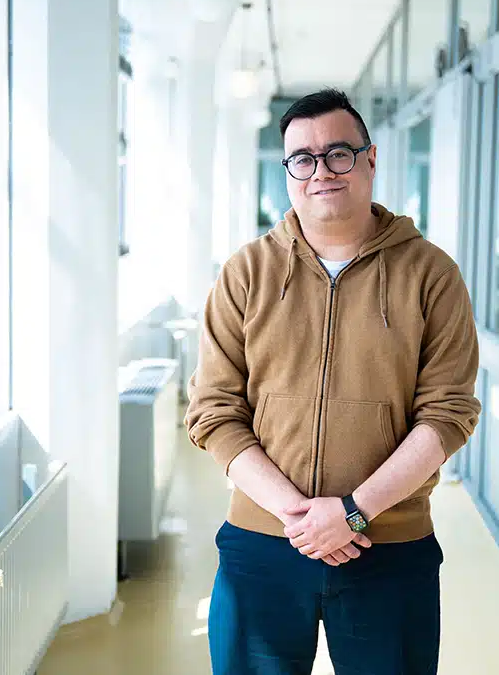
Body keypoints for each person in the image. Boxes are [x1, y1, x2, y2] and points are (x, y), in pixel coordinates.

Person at [185, 88, 481, 675]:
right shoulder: (246, 272)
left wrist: (353, 513)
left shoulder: (432, 274)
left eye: (338, 153)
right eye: (303, 159)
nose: (321, 171)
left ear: (370, 160)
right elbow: (213, 411)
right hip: (263, 543)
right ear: (288, 173)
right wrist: (301, 517)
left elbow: (448, 414)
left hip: (389, 547)